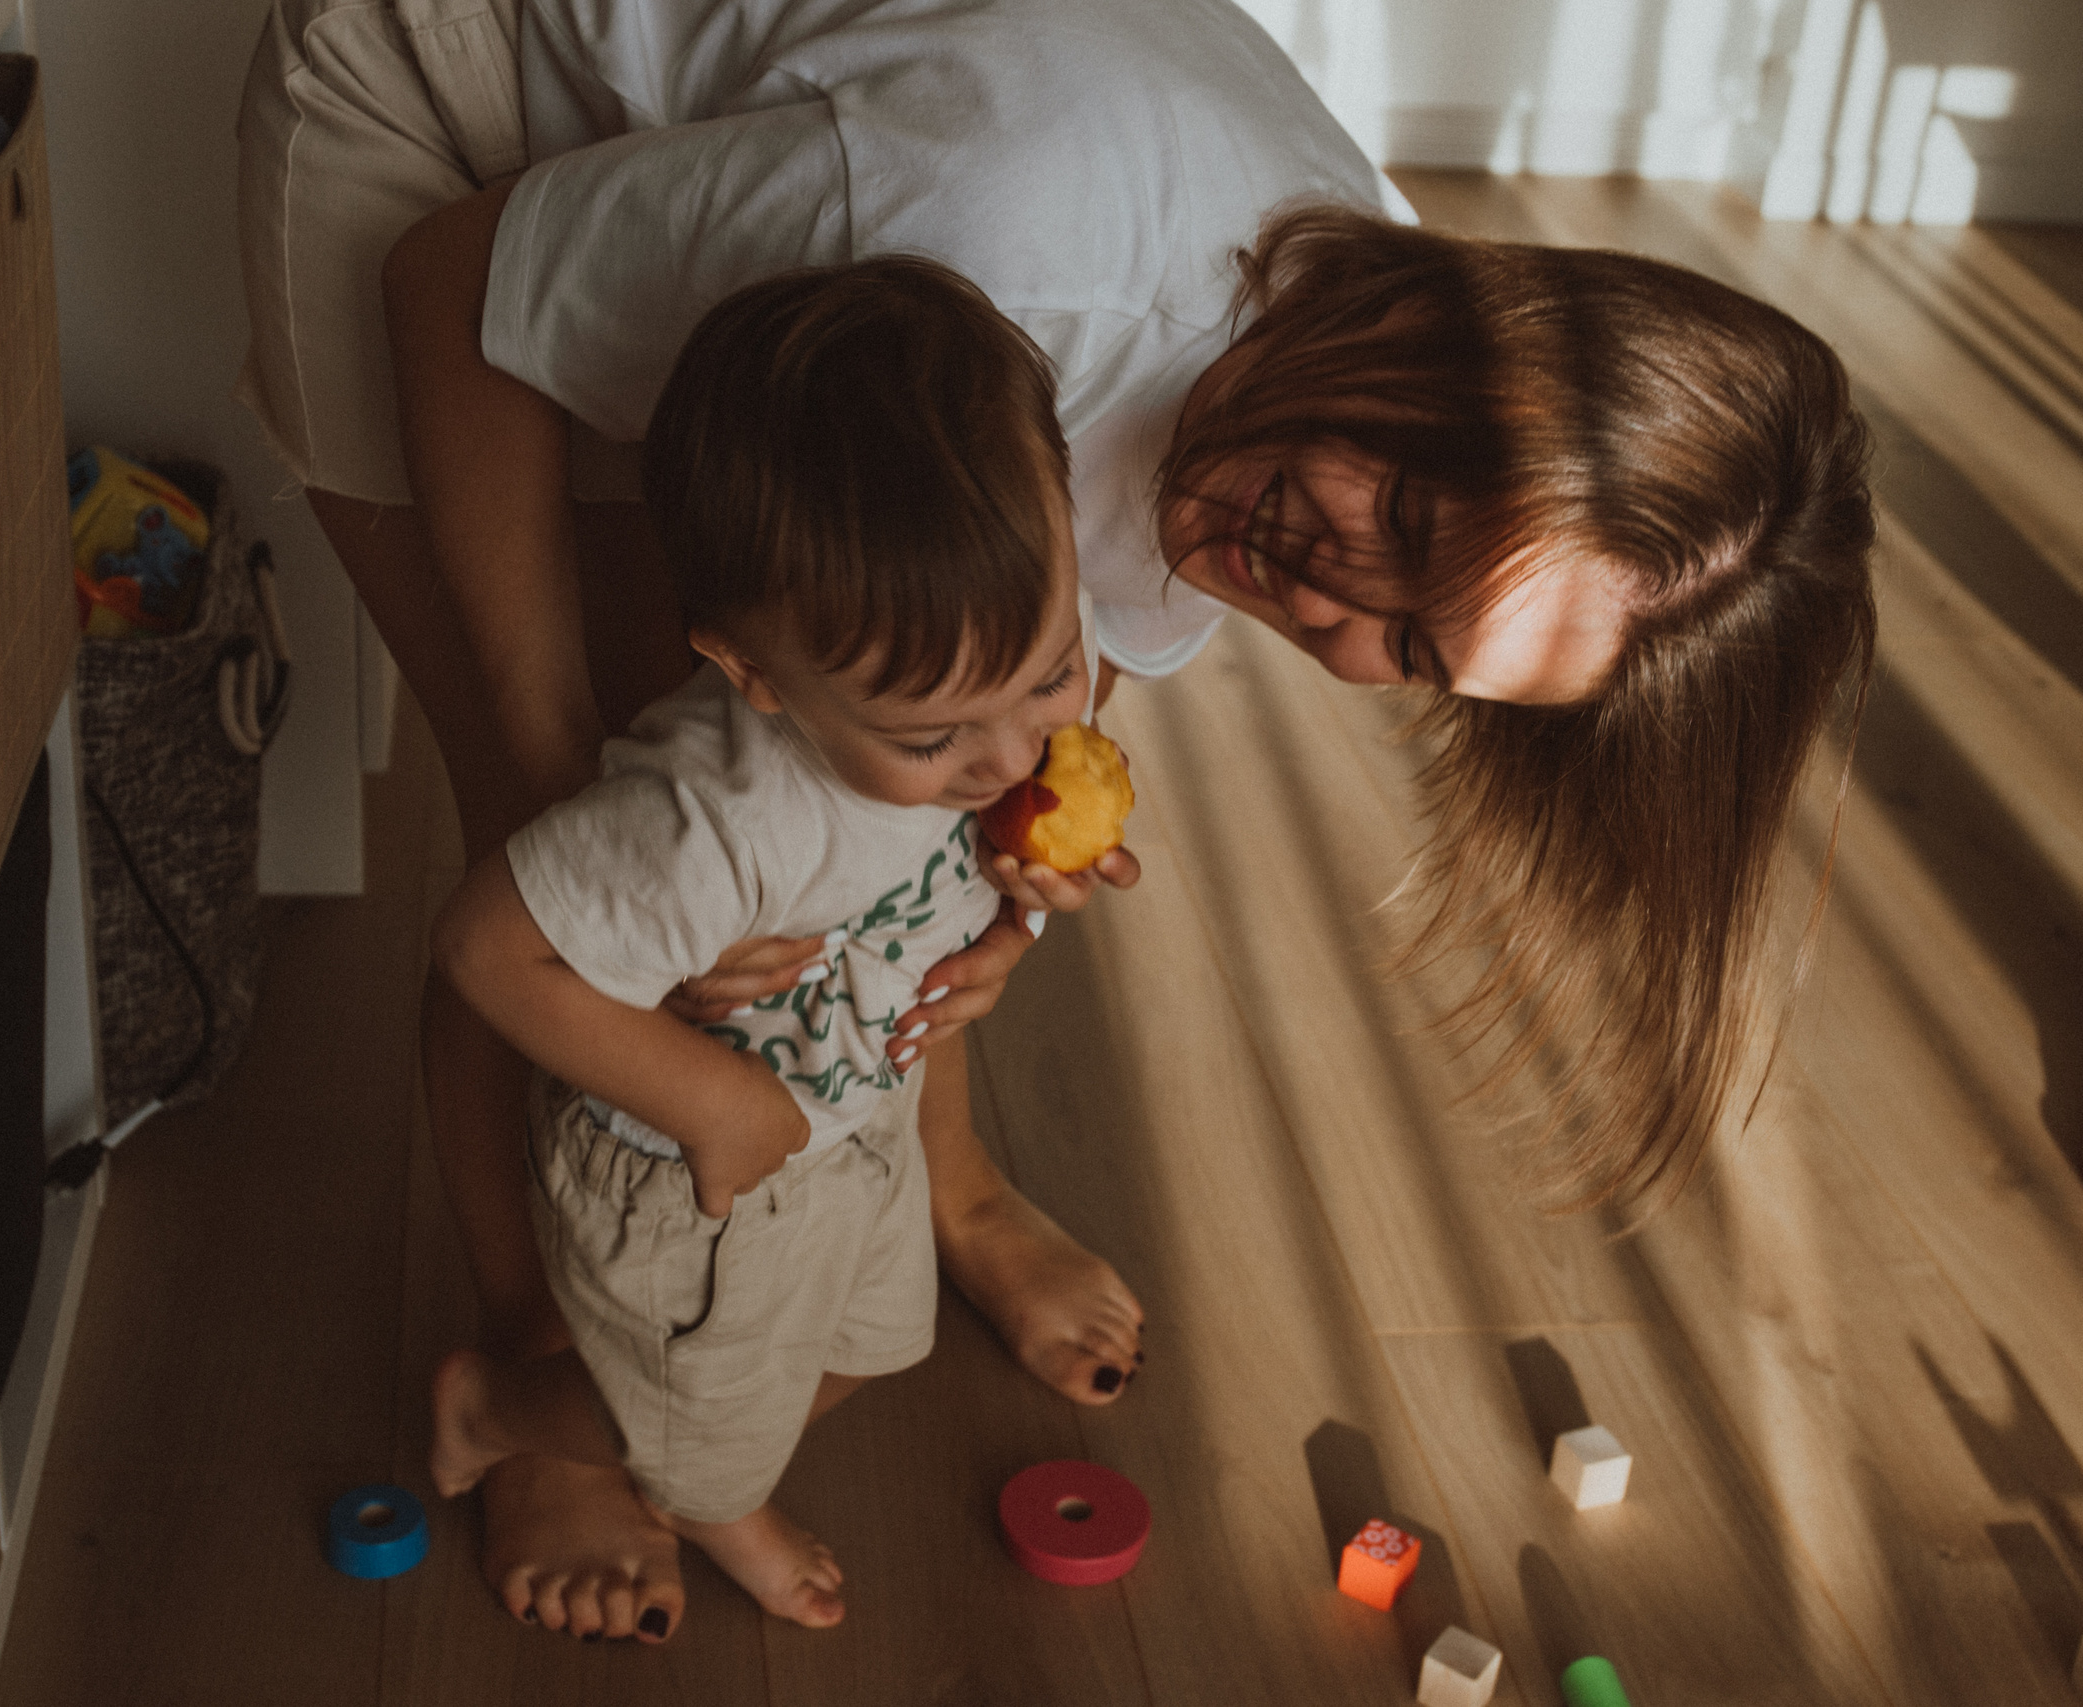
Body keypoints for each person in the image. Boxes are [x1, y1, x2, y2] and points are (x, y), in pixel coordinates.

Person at [235, 0, 1875, 1644]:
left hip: (773, 178)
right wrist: (565, 823)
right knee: (583, 862)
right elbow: (458, 281)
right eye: (1417, 513)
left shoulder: (1320, 375)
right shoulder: (994, 232)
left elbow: (997, 751)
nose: (1325, 595)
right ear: (1450, 350)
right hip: (441, 96)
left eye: (1424, 646)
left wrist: (1008, 877)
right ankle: (528, 1379)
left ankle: (952, 1189)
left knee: (858, 796)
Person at [429, 255, 1086, 1629]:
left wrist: (1027, 874)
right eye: (935, 738)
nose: (1012, 752)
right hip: (698, 1186)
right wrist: (716, 1105)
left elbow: (984, 788)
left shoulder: (968, 726)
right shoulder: (708, 822)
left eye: (1051, 673)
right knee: (700, 1419)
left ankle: (705, 1463)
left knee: (868, 1347)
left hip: (855, 1121)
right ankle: (501, 1414)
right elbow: (489, 951)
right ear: (754, 675)